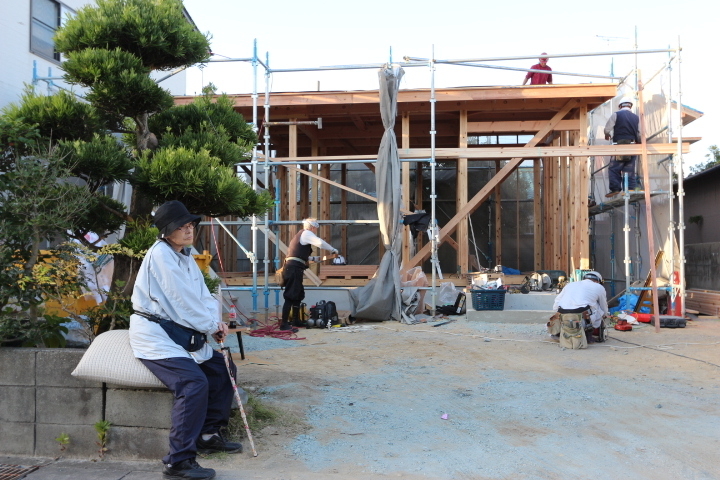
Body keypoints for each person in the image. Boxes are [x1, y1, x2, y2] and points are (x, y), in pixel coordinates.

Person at [129, 200, 241, 480]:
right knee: (193, 383)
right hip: (156, 336)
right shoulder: (161, 256)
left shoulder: (183, 255)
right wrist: (208, 325)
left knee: (221, 369)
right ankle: (178, 461)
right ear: (167, 231)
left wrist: (214, 324)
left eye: (190, 225)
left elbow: (202, 294)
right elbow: (181, 301)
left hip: (180, 332)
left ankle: (208, 434)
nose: (189, 230)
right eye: (181, 226)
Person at [281, 218, 339, 330]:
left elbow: (301, 255)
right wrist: (332, 250)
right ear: (312, 227)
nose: (316, 231)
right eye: (316, 229)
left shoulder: (301, 235)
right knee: (290, 295)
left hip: (294, 267)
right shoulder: (306, 233)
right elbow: (320, 243)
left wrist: (315, 259)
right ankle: (284, 324)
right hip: (294, 268)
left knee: (297, 295)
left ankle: (295, 321)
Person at [551, 271, 609, 345]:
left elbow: (557, 301)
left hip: (563, 317)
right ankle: (588, 334)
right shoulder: (599, 287)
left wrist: (557, 314)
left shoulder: (570, 284)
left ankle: (560, 332)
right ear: (598, 281)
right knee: (598, 309)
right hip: (581, 319)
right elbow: (603, 305)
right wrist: (605, 315)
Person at [604, 98, 641, 197]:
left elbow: (607, 128)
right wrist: (639, 141)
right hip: (632, 145)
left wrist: (607, 135)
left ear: (620, 106)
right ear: (630, 106)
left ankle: (615, 188)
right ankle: (630, 189)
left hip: (619, 145)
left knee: (614, 168)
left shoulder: (616, 114)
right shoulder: (636, 118)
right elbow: (639, 133)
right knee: (629, 169)